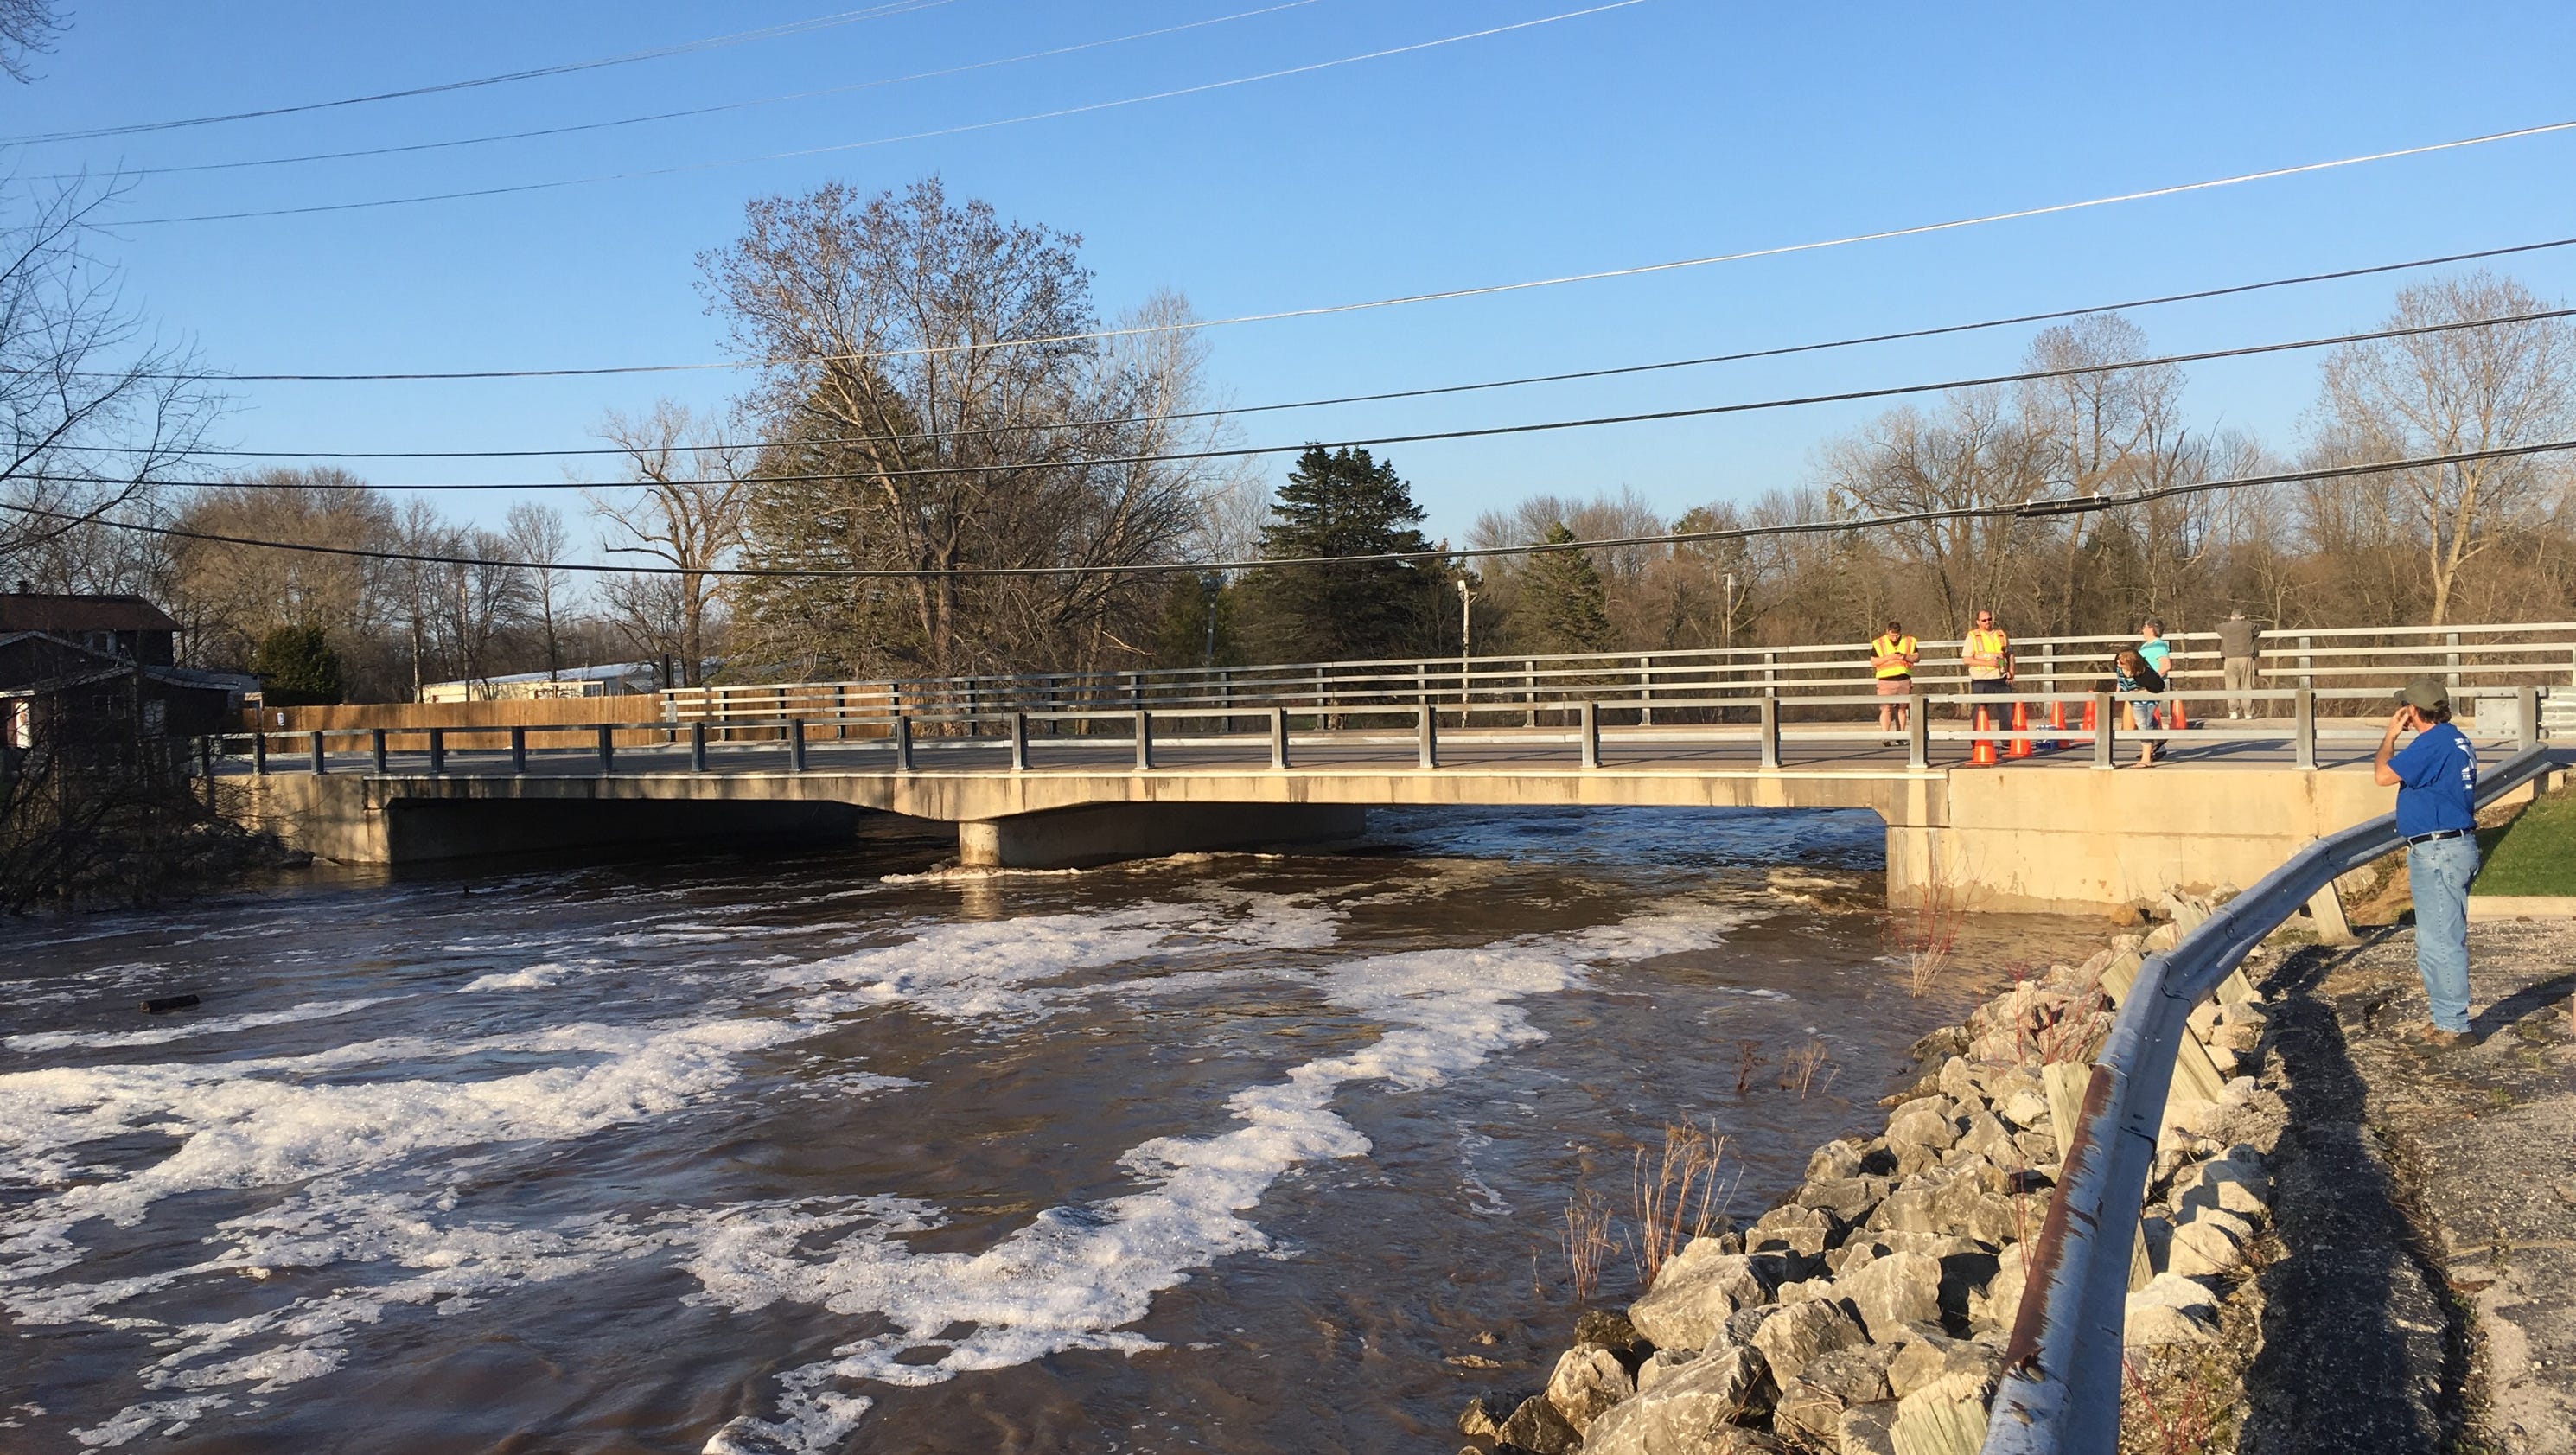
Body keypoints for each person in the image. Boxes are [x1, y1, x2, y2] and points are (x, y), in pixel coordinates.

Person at [2374, 676, 2479, 1047]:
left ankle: (2455, 1025)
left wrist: (2389, 737)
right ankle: (2444, 1017)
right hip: (2447, 847)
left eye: (2405, 708)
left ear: (2413, 711)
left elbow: (2383, 775)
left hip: (2440, 850)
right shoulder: (2455, 739)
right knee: (2433, 938)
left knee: (2441, 941)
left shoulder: (2432, 743)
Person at [1961, 609, 2012, 758]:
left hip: (2001, 678)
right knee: (1979, 711)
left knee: (2006, 712)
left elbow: (2010, 654)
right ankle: (1977, 742)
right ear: (1978, 622)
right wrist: (1987, 663)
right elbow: (1967, 659)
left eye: (1989, 619)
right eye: (1984, 620)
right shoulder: (1973, 636)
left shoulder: (2001, 634)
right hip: (1981, 679)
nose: (1987, 622)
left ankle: (2007, 741)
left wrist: (2011, 670)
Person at [1870, 619, 1920, 743]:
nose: (1894, 638)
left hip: (1903, 679)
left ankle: (1900, 736)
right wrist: (1890, 657)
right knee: (1886, 708)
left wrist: (1904, 657)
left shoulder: (1909, 641)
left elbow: (1917, 657)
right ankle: (1885, 736)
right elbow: (1874, 661)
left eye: (1897, 635)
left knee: (1902, 709)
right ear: (1888, 632)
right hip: (1886, 680)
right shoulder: (1879, 643)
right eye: (1892, 635)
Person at [2114, 648, 2166, 767]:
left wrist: (2144, 690)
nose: (2118, 663)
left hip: (2145, 700)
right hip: (2133, 698)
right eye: (2118, 660)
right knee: (2147, 722)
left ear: (2130, 663)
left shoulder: (2144, 673)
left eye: (2121, 662)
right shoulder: (2118, 669)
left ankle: (2146, 759)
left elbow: (2159, 686)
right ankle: (2159, 740)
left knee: (2143, 725)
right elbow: (2120, 681)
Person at [2217, 609, 2260, 718]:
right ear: (2243, 617)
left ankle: (2233, 711)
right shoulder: (2249, 626)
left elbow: (2218, 629)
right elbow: (2258, 630)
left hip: (2230, 658)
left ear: (2231, 617)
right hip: (2246, 658)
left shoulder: (2224, 627)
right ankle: (2248, 712)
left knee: (2231, 685)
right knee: (2247, 684)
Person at [2136, 618, 2174, 735]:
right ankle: (2158, 743)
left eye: (2144, 627)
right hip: (2143, 686)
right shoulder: (2145, 646)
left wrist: (2152, 682)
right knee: (2143, 719)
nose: (2142, 629)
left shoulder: (2158, 646)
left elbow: (2166, 666)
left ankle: (2151, 748)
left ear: (2151, 628)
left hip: (2151, 688)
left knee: (2144, 720)